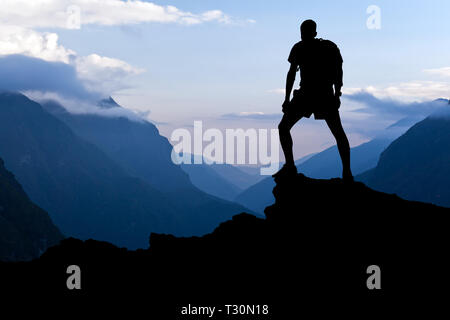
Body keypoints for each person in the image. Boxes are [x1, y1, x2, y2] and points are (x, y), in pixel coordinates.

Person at [274, 19, 353, 182]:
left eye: (304, 33)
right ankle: (347, 173)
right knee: (338, 133)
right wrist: (337, 94)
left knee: (284, 128)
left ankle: (290, 166)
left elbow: (291, 74)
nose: (303, 36)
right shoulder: (328, 47)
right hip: (321, 95)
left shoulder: (300, 48)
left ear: (311, 33)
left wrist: (287, 99)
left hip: (308, 95)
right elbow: (339, 72)